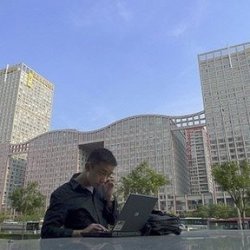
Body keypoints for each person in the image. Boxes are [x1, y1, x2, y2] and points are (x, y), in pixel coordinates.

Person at [41, 148, 118, 238]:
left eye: (109, 175)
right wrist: (81, 233)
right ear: (88, 167)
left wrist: (109, 198)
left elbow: (114, 221)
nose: (104, 179)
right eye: (102, 173)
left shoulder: (103, 190)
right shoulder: (63, 194)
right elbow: (47, 231)